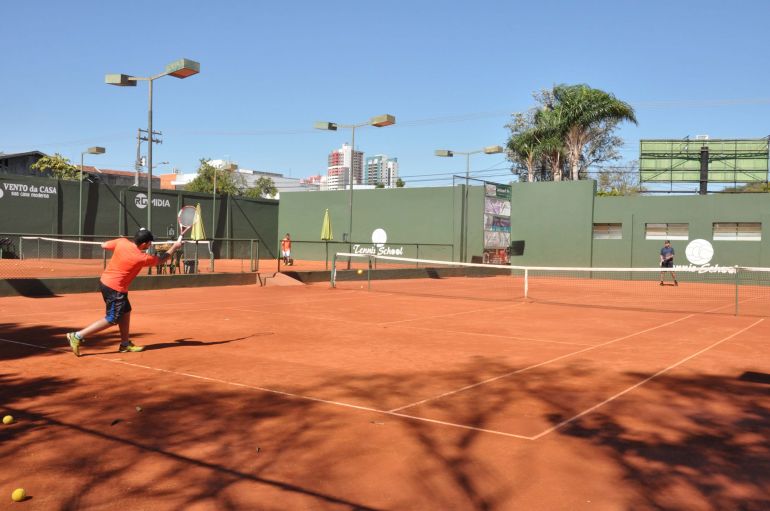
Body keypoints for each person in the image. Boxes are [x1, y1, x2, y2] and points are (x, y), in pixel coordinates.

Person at [66, 229, 182, 356]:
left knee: (126, 311)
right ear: (144, 244)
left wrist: (121, 243)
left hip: (106, 282)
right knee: (112, 319)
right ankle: (77, 336)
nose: (151, 245)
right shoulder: (140, 257)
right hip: (115, 288)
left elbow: (103, 245)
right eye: (150, 243)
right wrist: (175, 246)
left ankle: (125, 344)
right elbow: (161, 259)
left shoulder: (122, 242)